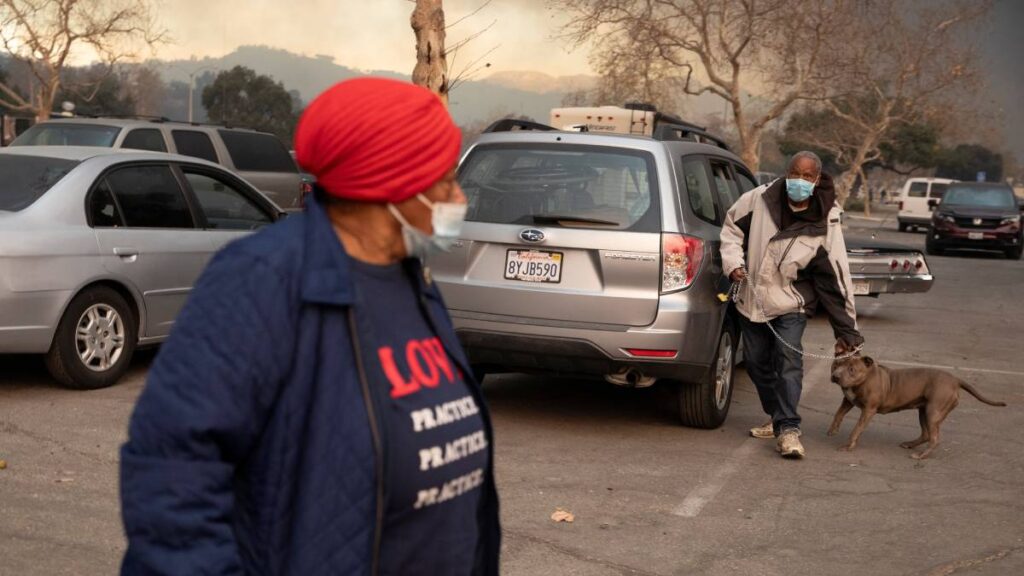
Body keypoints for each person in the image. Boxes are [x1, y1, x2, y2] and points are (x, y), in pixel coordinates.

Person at [119, 78, 501, 575]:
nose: (459, 199)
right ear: (389, 186)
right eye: (443, 181)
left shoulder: (410, 277)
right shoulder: (260, 279)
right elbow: (170, 477)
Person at [720, 151, 864, 459]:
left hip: (791, 302)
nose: (799, 181)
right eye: (794, 174)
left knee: (788, 362)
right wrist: (732, 263)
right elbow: (731, 228)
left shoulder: (828, 219)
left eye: (807, 177)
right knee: (758, 365)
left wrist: (847, 330)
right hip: (752, 298)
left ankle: (788, 430)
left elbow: (835, 277)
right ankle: (777, 415)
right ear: (786, 173)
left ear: (817, 179)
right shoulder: (759, 199)